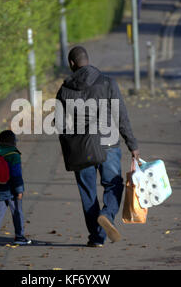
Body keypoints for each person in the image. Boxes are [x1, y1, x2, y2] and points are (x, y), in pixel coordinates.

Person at [55, 46, 140, 247]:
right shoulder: (107, 82)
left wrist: (69, 150)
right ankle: (107, 215)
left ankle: (97, 236)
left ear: (71, 64)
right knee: (113, 184)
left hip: (80, 148)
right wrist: (132, 144)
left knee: (87, 191)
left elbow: (60, 125)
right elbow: (121, 116)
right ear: (87, 60)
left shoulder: (64, 90)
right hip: (107, 142)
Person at [0, 130, 31, 247]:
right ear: (13, 142)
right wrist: (19, 190)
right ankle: (19, 237)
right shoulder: (13, 155)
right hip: (12, 188)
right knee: (17, 212)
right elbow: (16, 174)